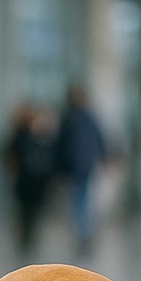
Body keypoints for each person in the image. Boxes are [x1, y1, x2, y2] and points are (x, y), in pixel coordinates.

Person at [54, 85, 106, 254]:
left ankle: (83, 233)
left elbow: (61, 145)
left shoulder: (70, 118)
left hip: (78, 168)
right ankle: (84, 233)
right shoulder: (86, 117)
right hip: (83, 166)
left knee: (79, 202)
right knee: (81, 201)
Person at [2, 104, 55, 256]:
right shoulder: (23, 137)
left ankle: (28, 238)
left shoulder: (41, 137)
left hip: (34, 182)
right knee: (26, 212)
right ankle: (26, 239)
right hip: (28, 182)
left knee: (30, 212)